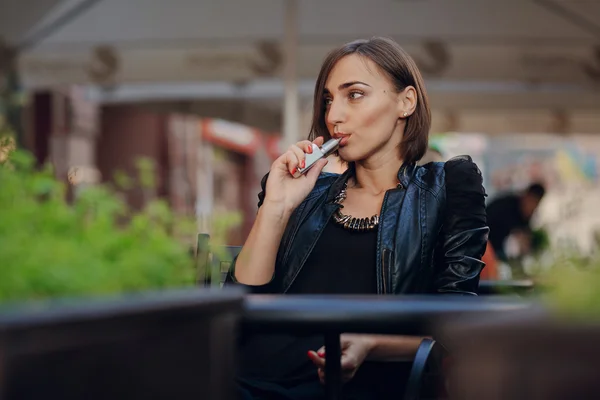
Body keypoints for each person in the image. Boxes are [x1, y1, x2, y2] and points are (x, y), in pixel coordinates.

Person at [225, 37, 489, 400]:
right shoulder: (304, 191)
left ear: (405, 101)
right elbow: (239, 304)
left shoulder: (446, 188)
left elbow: (456, 324)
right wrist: (277, 207)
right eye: (329, 99)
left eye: (355, 94)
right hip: (251, 381)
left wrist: (371, 345)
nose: (334, 115)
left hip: (362, 387)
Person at [486, 183, 545, 262]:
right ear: (526, 196)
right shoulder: (506, 206)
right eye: (532, 202)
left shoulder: (524, 215)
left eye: (535, 204)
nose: (532, 208)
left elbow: (525, 239)